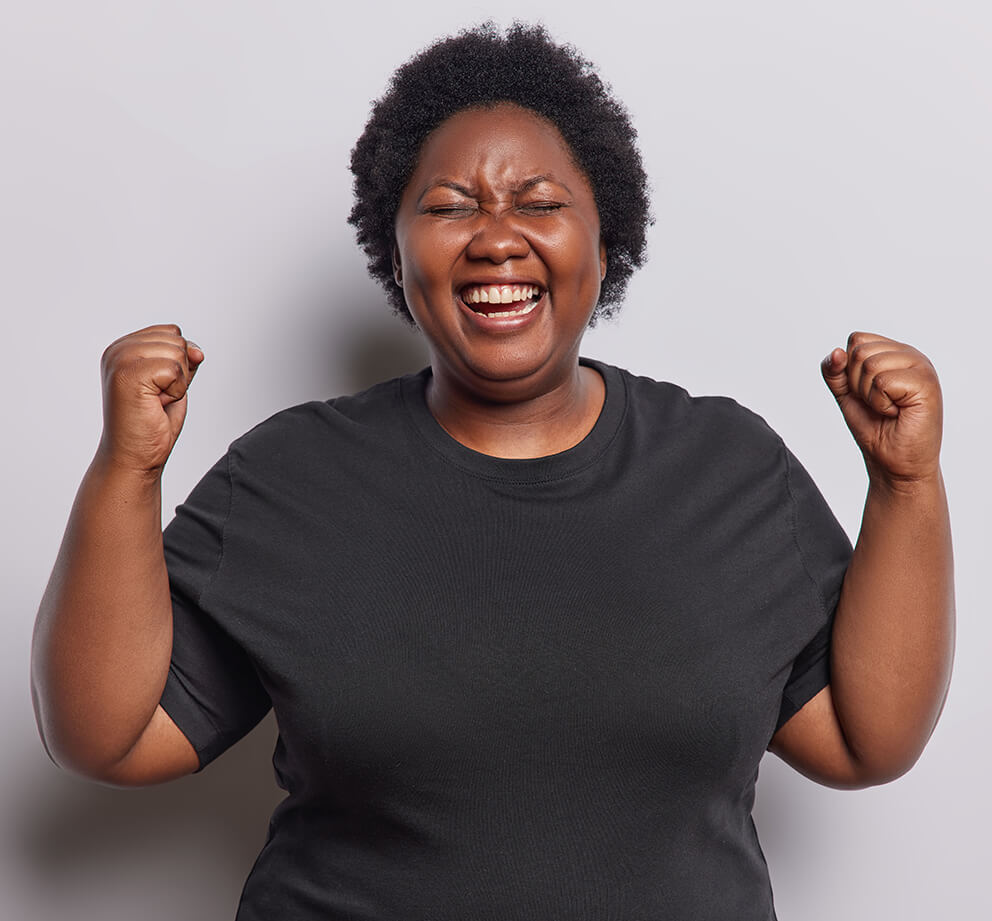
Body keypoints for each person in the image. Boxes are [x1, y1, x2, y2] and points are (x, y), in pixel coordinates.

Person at [31, 22, 953, 920]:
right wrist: (127, 469)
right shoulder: (288, 477)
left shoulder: (728, 469)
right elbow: (107, 737)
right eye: (448, 206)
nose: (496, 238)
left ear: (604, 242)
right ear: (395, 250)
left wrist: (906, 485)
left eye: (540, 204)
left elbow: (862, 740)